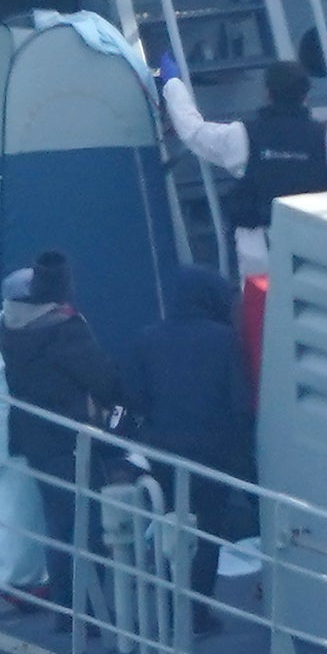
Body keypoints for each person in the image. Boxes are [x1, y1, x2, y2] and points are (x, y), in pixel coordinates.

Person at [113, 263, 258, 632]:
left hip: (162, 453)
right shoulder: (224, 340)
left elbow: (133, 399)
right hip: (212, 454)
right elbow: (240, 403)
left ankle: (161, 609)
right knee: (206, 534)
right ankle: (196, 615)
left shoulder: (146, 339)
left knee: (167, 528)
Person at [0, 249, 122, 613]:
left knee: (59, 524)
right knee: (87, 528)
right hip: (72, 440)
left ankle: (65, 608)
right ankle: (87, 614)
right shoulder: (65, 330)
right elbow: (103, 379)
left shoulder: (7, 327)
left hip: (33, 438)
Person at [160, 51, 327, 277]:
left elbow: (193, 132)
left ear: (267, 93)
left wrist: (173, 84)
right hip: (315, 254)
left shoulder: (242, 136)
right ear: (305, 96)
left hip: (260, 258)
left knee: (261, 310)